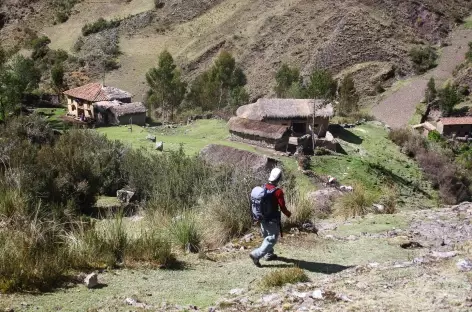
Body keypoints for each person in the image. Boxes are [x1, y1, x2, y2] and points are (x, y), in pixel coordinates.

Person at [249, 168, 292, 267]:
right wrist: (288, 214)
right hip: (272, 219)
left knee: (266, 236)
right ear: (279, 178)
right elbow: (282, 207)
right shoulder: (278, 192)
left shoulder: (264, 187)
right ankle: (256, 254)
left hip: (262, 218)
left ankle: (269, 254)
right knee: (272, 238)